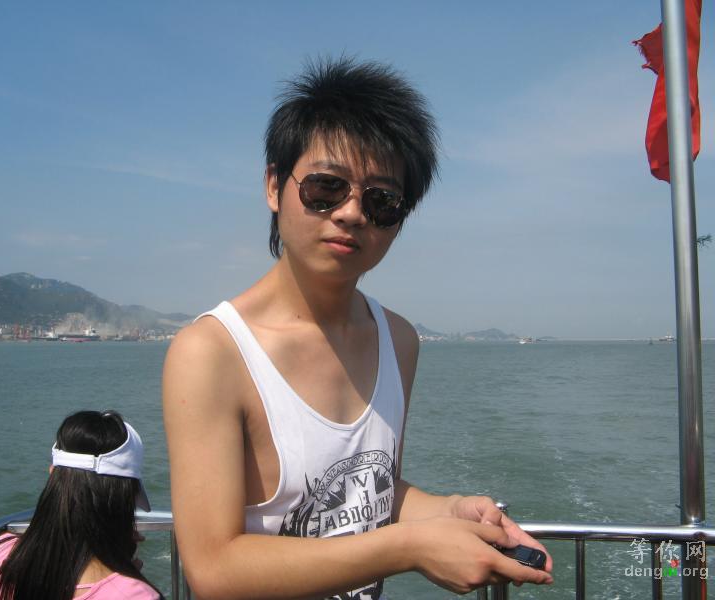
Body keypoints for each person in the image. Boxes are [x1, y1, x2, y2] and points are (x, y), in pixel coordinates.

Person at [163, 57, 554, 599]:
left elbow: (368, 491)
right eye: (326, 187)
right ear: (275, 186)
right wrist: (409, 548)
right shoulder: (212, 352)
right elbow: (213, 569)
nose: (351, 213)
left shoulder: (398, 340)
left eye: (382, 201)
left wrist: (447, 510)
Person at [0, 410, 162, 600]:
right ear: (125, 496)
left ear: (53, 474)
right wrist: (125, 577)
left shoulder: (1, 554)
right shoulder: (136, 595)